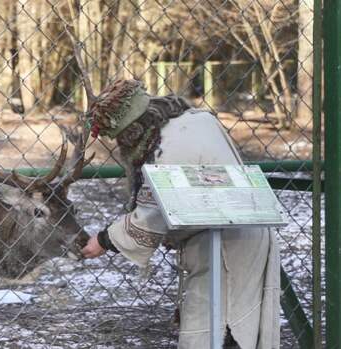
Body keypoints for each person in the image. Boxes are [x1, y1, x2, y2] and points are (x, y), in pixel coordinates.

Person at [80, 80, 280, 349]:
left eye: (120, 137)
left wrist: (103, 241)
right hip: (243, 232)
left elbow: (151, 217)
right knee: (234, 324)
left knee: (210, 331)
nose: (120, 145)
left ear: (132, 130)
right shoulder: (194, 119)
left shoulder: (166, 152)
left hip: (224, 248)